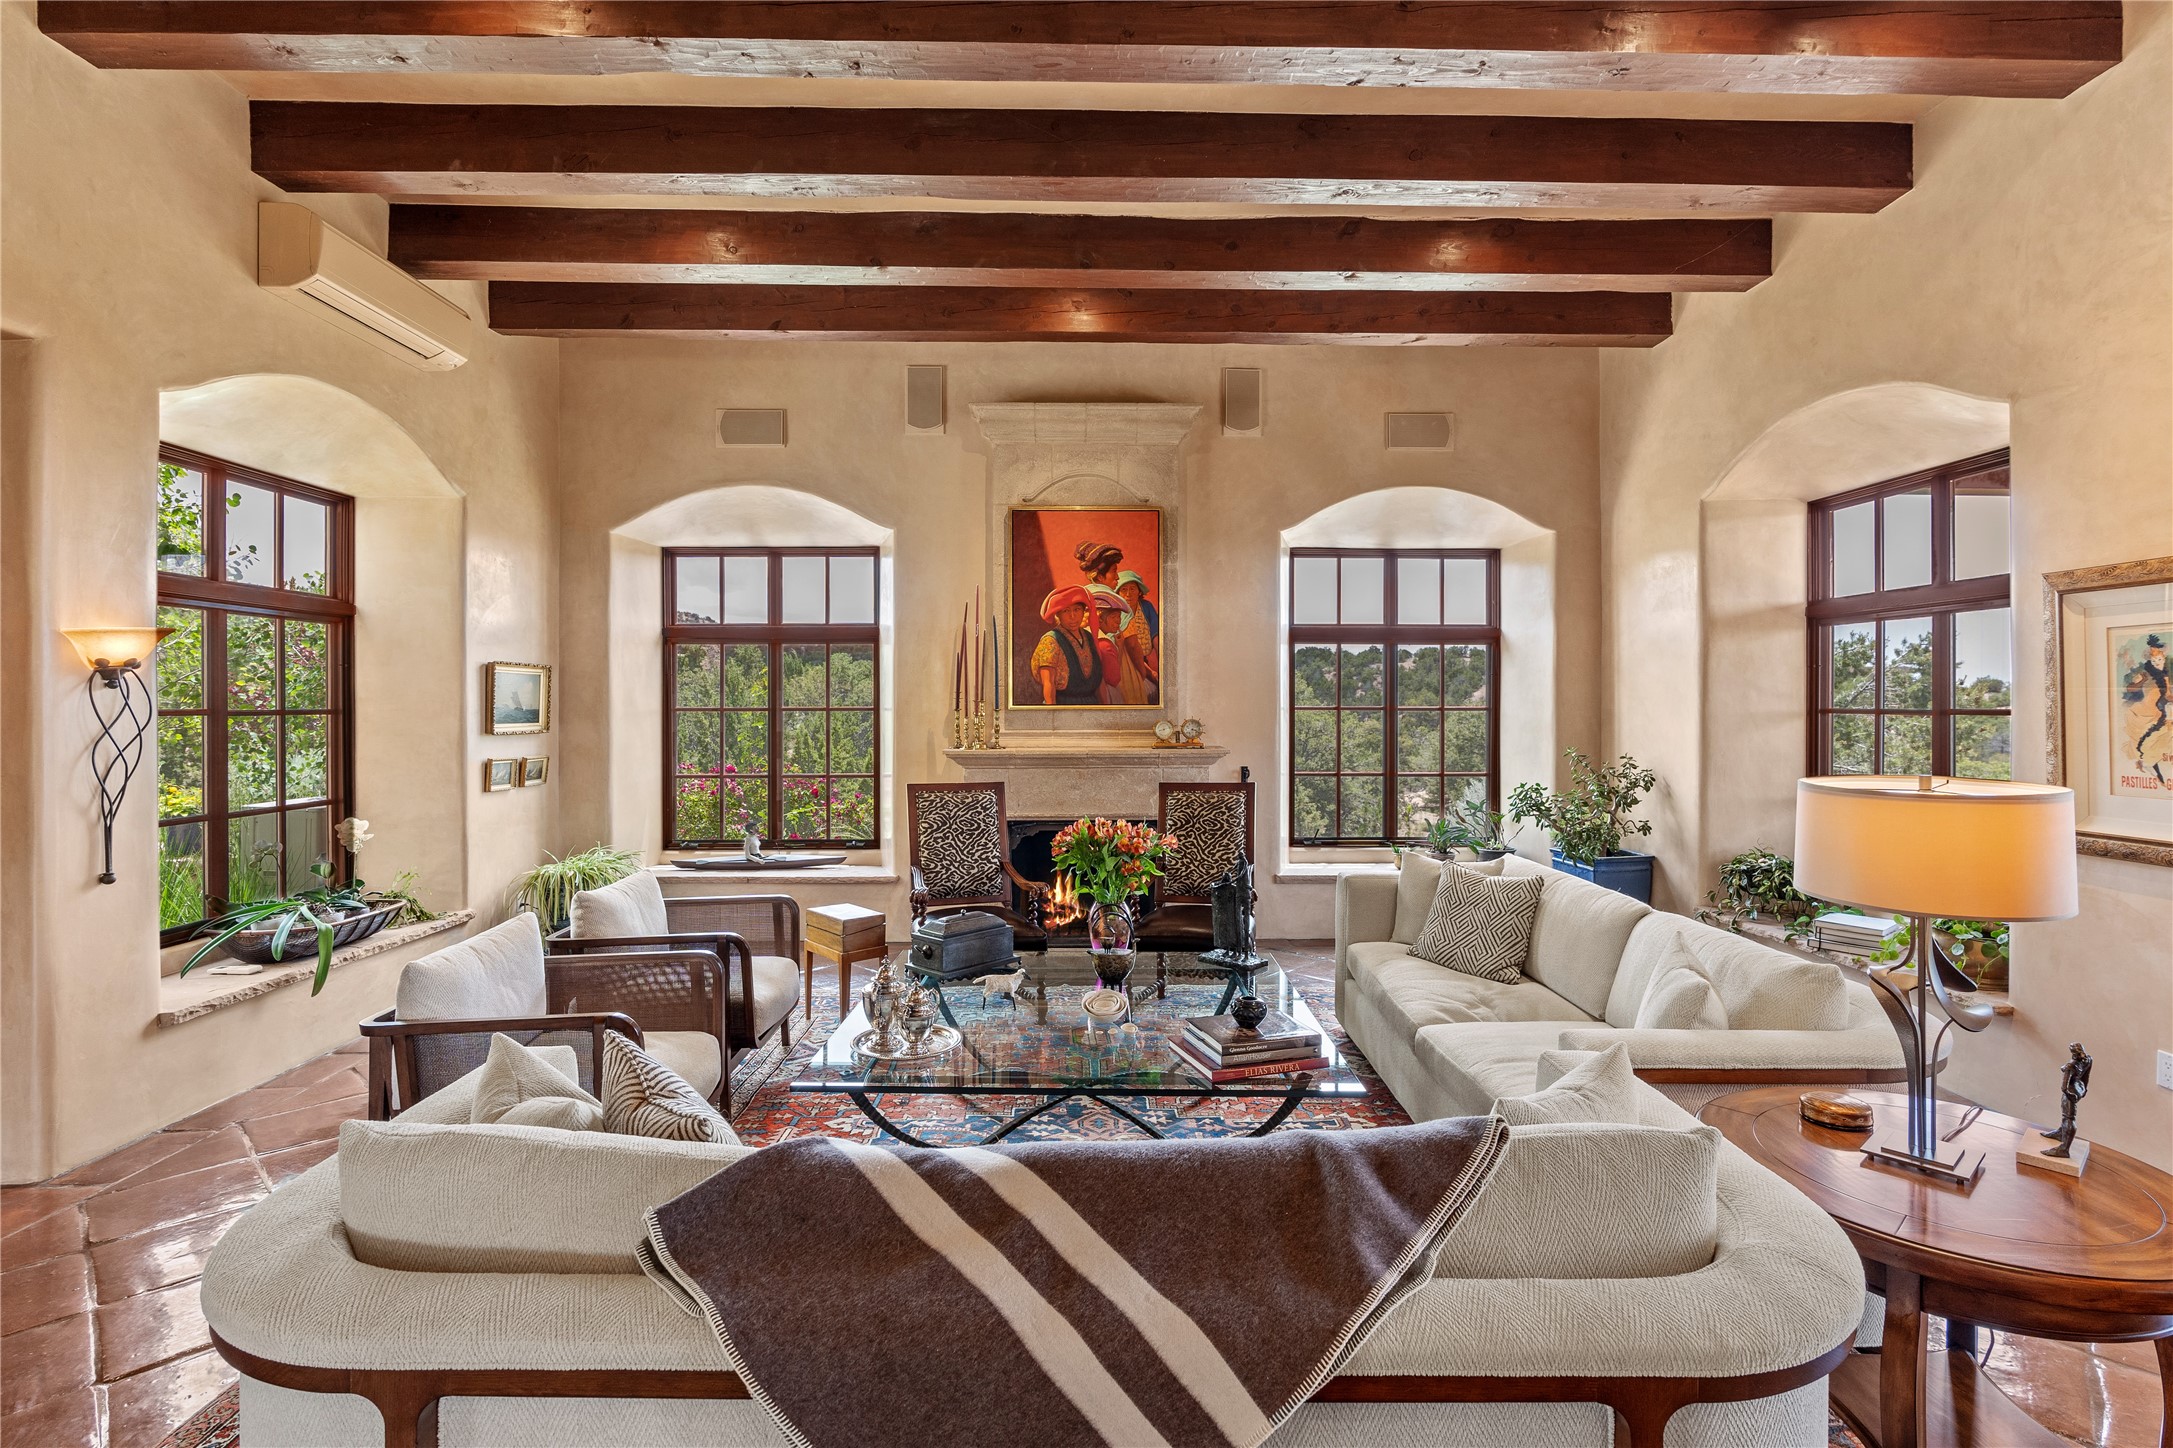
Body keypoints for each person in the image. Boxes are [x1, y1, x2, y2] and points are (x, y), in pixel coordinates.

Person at [1029, 586, 1102, 707]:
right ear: (1058, 614)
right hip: (1063, 705)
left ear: (1083, 611)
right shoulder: (1051, 641)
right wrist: (1053, 714)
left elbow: (1099, 681)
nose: (1072, 616)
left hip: (1091, 705)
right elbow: (1049, 683)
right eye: (1066, 611)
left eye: (1077, 609)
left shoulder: (1088, 637)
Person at [1087, 584, 1155, 706]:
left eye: (1119, 616)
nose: (1118, 621)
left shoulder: (1090, 635)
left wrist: (1120, 645)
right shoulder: (1105, 644)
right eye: (1114, 617)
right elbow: (1113, 678)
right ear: (1100, 619)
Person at [1115, 569, 1160, 668]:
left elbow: (1156, 637)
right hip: (1121, 662)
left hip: (1143, 661)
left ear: (1139, 592)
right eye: (1124, 589)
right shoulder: (1114, 611)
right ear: (1118, 593)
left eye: (1132, 589)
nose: (1128, 594)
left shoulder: (1146, 607)